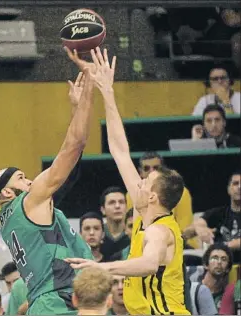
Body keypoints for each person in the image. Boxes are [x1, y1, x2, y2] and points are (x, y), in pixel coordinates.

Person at [65, 47, 190, 315]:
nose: (139, 182)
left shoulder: (160, 231)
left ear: (154, 196)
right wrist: (106, 91)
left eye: (146, 181)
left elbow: (147, 264)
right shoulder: (146, 211)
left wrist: (102, 267)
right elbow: (119, 150)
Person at [0, 51, 96, 315]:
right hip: (58, 302)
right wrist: (91, 83)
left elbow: (72, 161)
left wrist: (75, 110)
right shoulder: (30, 201)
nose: (32, 180)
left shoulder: (12, 218)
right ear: (8, 191)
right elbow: (74, 146)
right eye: (22, 178)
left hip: (50, 302)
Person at [126, 151, 197, 249]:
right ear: (140, 172)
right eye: (146, 168)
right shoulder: (132, 195)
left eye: (156, 168)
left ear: (163, 171)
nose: (151, 172)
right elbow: (132, 226)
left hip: (176, 244)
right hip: (141, 244)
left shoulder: (181, 192)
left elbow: (184, 229)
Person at [183, 170, 241, 263]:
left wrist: (223, 246)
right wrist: (199, 228)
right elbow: (187, 232)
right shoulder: (218, 213)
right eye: (235, 183)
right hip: (219, 266)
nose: (239, 187)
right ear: (229, 189)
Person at [99, 186, 130, 259]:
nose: (117, 206)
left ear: (127, 207)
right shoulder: (97, 234)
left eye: (121, 202)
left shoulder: (134, 233)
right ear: (103, 209)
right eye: (112, 202)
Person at [200, 244, 233, 310]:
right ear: (206, 264)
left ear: (228, 269)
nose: (219, 262)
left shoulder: (229, 295)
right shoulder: (193, 290)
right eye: (214, 258)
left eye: (224, 259)